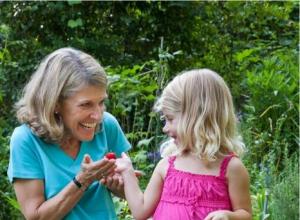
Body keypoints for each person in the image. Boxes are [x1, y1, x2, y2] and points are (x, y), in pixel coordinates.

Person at [7, 47, 131, 219]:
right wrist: (83, 180)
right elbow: (35, 216)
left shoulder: (107, 125)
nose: (97, 115)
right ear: (55, 103)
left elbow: (132, 194)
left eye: (101, 102)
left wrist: (121, 185)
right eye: (85, 104)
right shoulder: (26, 140)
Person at [116, 69, 252, 220]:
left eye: (170, 119)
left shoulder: (231, 168)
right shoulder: (166, 166)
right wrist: (127, 172)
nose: (165, 128)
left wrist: (228, 216)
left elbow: (245, 214)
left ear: (197, 118)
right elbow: (140, 212)